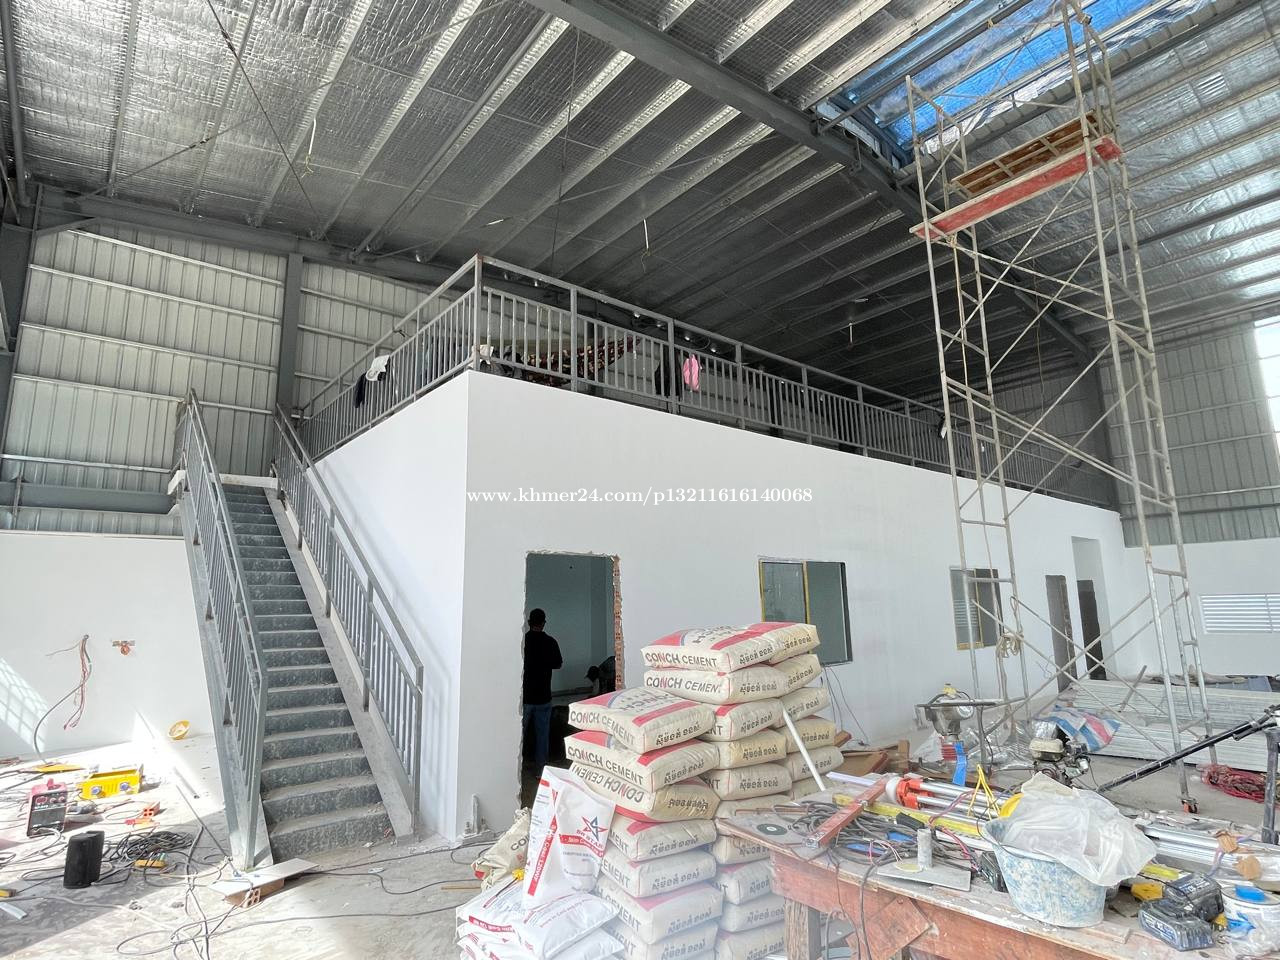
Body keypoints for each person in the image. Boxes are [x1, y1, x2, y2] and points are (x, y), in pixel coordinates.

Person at [522, 608, 562, 773]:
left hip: (525, 698)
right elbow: (558, 664)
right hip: (544, 696)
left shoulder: (523, 642)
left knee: (518, 735)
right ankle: (540, 770)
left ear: (529, 622)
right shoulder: (550, 642)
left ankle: (515, 770)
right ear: (544, 623)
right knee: (542, 736)